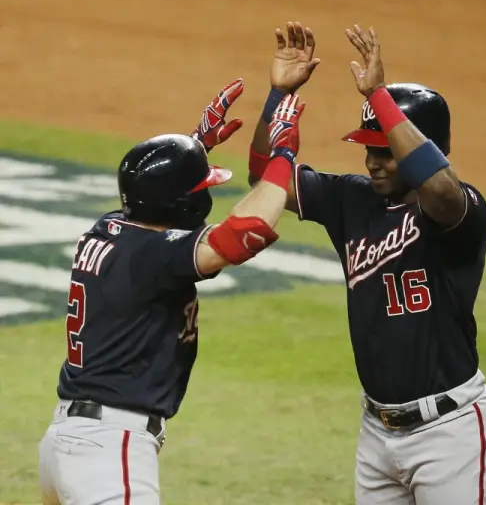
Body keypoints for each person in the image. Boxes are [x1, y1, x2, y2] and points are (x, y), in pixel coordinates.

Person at [248, 21, 486, 504]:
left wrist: (380, 98)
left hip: (451, 432)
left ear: (419, 148)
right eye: (368, 149)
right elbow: (265, 176)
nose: (372, 162)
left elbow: (438, 186)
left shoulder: (460, 210)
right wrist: (277, 96)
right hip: (378, 434)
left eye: (385, 152)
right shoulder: (351, 200)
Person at [38, 78, 306, 505]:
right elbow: (243, 233)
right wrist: (283, 156)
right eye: (203, 189)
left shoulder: (108, 229)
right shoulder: (157, 258)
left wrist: (194, 146)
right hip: (110, 449)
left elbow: (156, 197)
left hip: (65, 442)